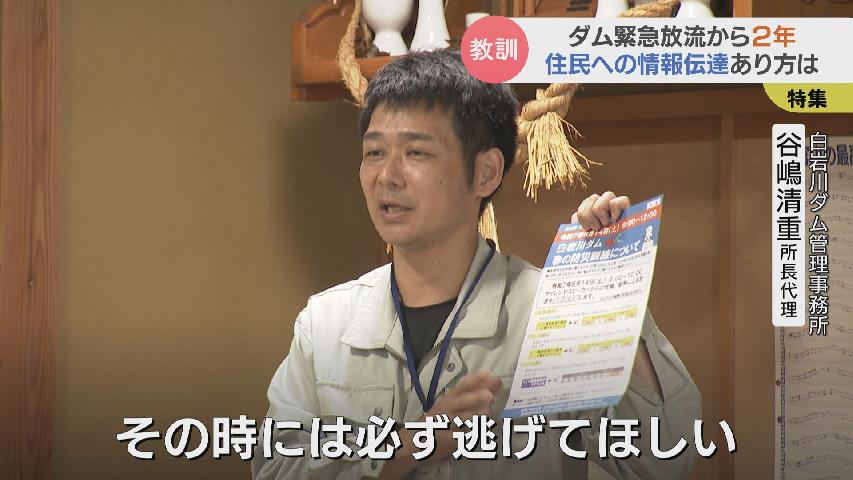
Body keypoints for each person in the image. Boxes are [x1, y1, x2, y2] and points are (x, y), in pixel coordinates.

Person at [252, 49, 701, 480]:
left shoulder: (553, 313)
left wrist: (609, 294)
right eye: (374, 152)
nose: (387, 176)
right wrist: (411, 446)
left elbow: (667, 458)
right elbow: (273, 469)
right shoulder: (325, 324)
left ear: (485, 172)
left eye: (416, 152)